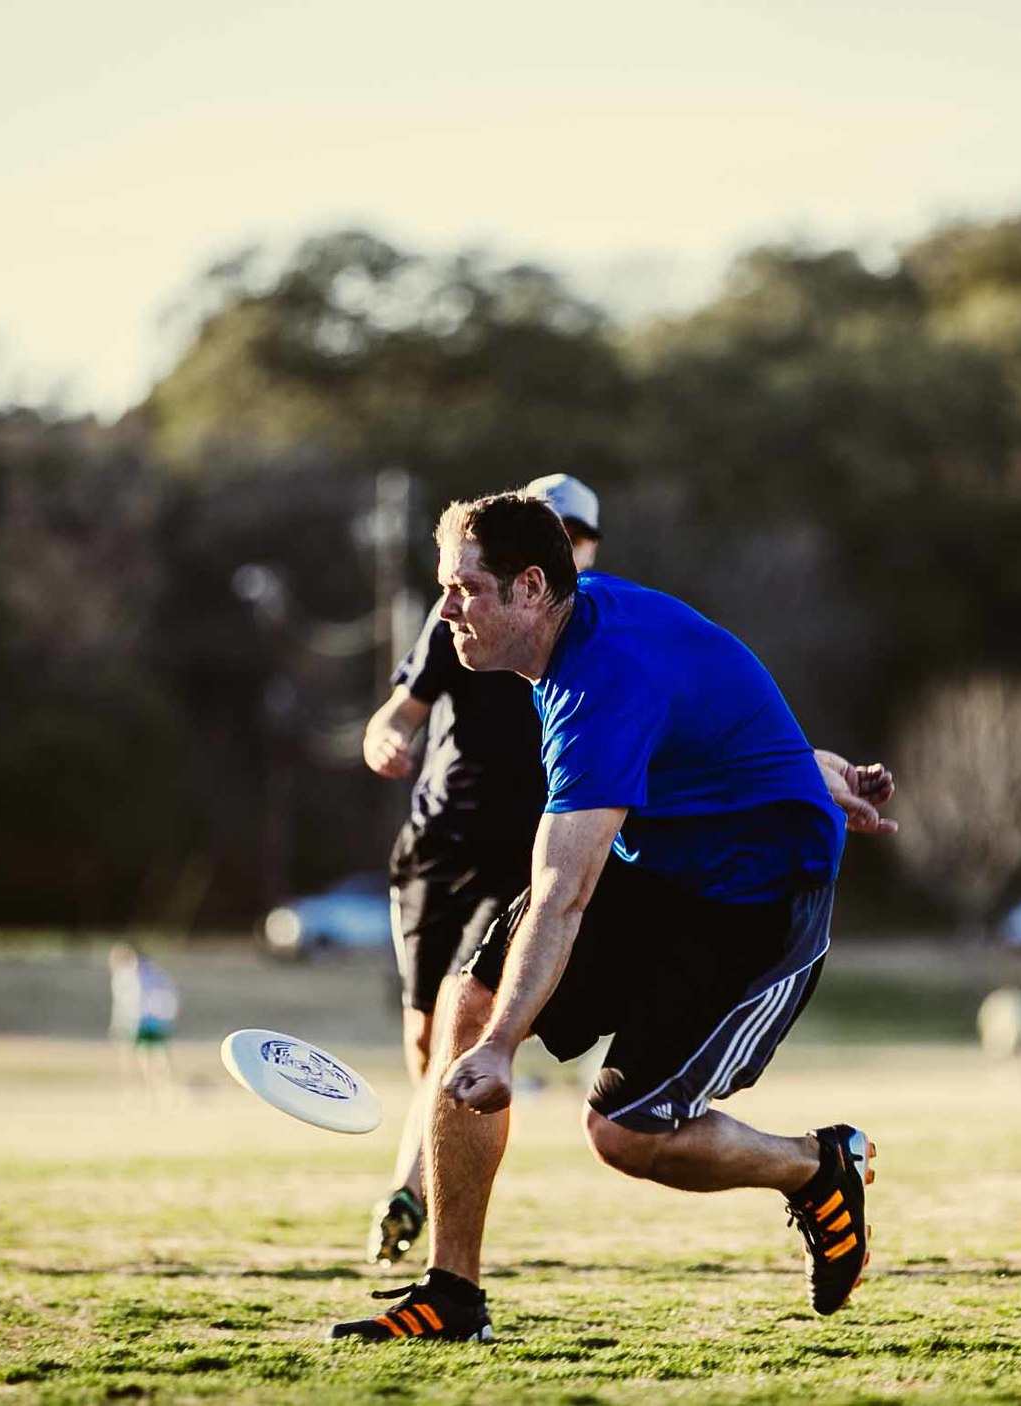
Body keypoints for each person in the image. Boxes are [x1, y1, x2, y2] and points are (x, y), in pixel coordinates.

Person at [328, 492, 896, 1343]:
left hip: (756, 905)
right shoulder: (572, 632)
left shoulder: (599, 687)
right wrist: (806, 764)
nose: (444, 610)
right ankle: (452, 1297)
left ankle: (814, 1168)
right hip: (661, 866)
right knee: (468, 1003)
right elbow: (713, 709)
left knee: (626, 1135)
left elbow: (563, 895)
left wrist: (502, 1047)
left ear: (528, 588)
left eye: (465, 589)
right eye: (443, 587)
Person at [357, 474, 601, 1266]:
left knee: (468, 1022)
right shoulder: (460, 610)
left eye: (570, 532)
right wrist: (384, 740)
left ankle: (411, 1193)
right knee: (426, 1042)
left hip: (524, 854)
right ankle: (419, 1183)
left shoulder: (599, 635)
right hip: (436, 847)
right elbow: (397, 712)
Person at [108, 943, 180, 1106]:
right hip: (151, 1020)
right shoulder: (151, 972)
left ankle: (157, 1093)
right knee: (156, 1057)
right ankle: (159, 1093)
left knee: (147, 1057)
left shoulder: (129, 975)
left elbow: (128, 1002)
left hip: (140, 1021)